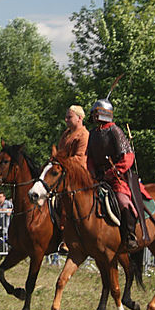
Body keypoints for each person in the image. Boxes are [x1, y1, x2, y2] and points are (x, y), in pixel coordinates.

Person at [85, 98, 152, 252]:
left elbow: (128, 156)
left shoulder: (115, 131)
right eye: (93, 113)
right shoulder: (93, 134)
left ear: (105, 113)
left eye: (97, 113)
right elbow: (89, 158)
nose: (94, 116)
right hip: (98, 177)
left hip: (118, 178)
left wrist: (113, 172)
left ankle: (130, 236)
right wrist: (92, 172)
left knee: (123, 201)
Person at [54, 104, 89, 254]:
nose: (66, 119)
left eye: (69, 117)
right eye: (66, 116)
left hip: (78, 177)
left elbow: (80, 158)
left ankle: (68, 238)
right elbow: (60, 153)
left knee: (67, 202)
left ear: (79, 118)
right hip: (64, 173)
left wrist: (62, 162)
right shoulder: (66, 134)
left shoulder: (84, 135)